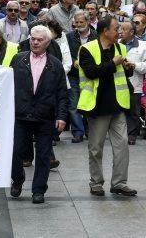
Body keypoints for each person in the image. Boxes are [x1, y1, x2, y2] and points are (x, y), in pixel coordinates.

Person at [77, 15, 137, 196]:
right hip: (97, 106)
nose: (119, 31)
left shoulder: (120, 47)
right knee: (96, 148)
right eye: (116, 28)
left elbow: (124, 76)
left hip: (118, 105)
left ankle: (119, 183)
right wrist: (113, 63)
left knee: (122, 145)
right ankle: (96, 182)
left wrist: (128, 68)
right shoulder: (86, 49)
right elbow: (91, 73)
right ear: (105, 31)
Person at [8, 26, 69, 204]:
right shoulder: (19, 60)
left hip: (45, 116)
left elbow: (62, 93)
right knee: (16, 151)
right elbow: (7, 86)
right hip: (20, 115)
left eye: (39, 40)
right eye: (32, 39)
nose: (35, 42)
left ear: (48, 42)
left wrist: (62, 116)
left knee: (43, 154)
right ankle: (17, 181)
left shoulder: (55, 64)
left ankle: (39, 190)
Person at [66, 11, 96, 143]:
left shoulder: (96, 36)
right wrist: (73, 61)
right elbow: (65, 53)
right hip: (74, 74)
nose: (78, 25)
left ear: (88, 22)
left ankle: (89, 130)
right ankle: (78, 132)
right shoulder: (69, 36)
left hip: (90, 75)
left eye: (81, 22)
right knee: (73, 103)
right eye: (76, 22)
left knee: (89, 103)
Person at [119, 20, 146, 144]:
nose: (120, 31)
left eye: (124, 29)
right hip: (118, 83)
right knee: (119, 111)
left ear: (132, 32)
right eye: (120, 28)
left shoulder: (142, 46)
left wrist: (134, 65)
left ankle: (132, 135)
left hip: (134, 83)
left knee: (133, 112)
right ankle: (121, 134)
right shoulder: (117, 44)